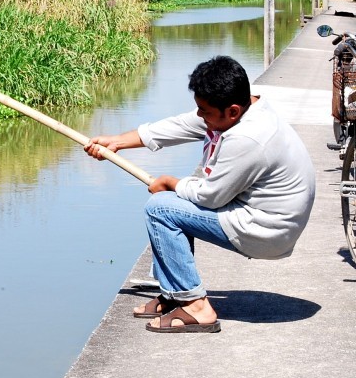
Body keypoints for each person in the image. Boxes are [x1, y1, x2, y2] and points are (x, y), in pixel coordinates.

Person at [85, 56, 315, 333]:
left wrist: (170, 182)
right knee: (173, 203)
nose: (199, 116)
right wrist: (118, 142)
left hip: (267, 232)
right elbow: (181, 125)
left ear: (231, 111)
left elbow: (210, 197)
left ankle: (195, 306)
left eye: (204, 111)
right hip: (262, 218)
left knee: (161, 208)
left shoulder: (248, 137)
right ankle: (174, 295)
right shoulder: (244, 110)